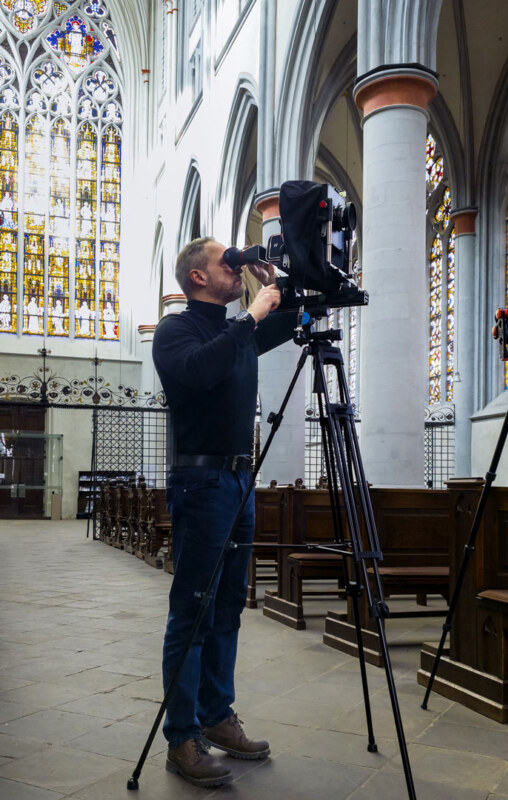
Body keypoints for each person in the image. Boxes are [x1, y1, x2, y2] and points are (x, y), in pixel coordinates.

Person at [152, 237, 295, 788]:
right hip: (201, 480)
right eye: (226, 264)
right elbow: (200, 373)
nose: (236, 270)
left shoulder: (240, 330)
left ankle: (216, 714)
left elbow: (297, 314)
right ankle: (181, 737)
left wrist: (275, 278)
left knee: (231, 603)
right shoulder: (176, 329)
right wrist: (252, 313)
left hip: (239, 479)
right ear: (199, 279)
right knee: (193, 608)